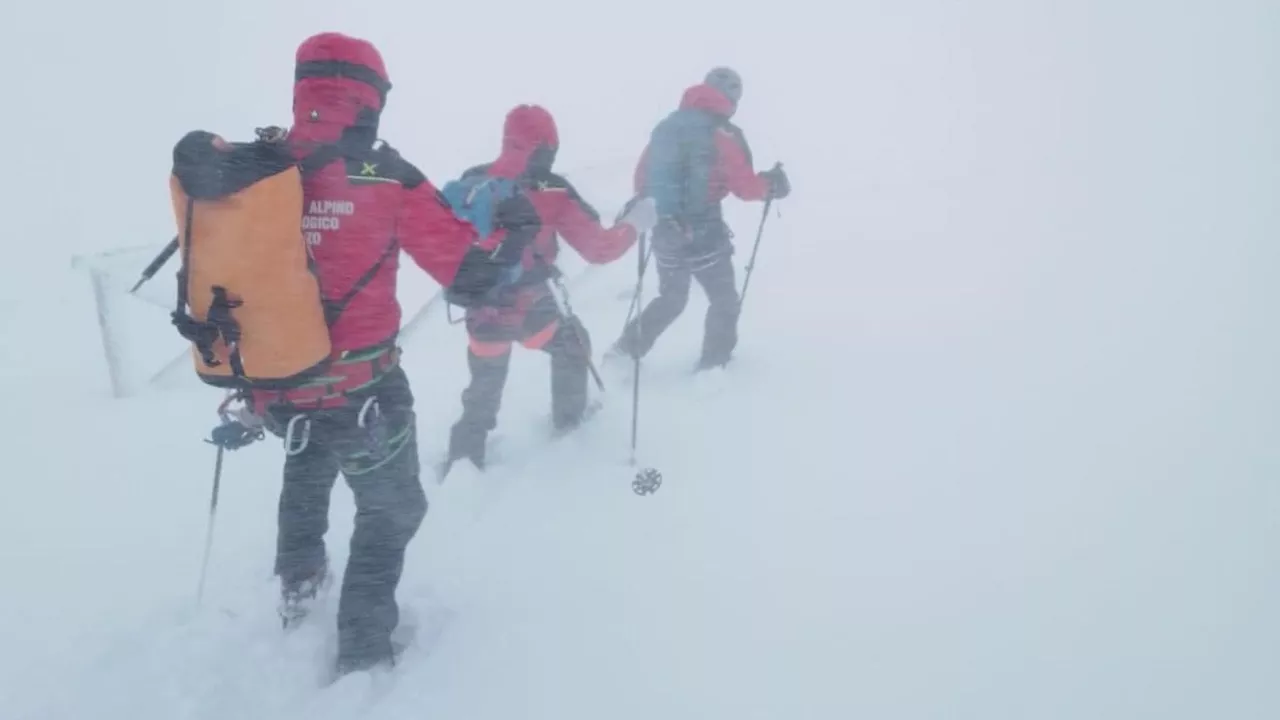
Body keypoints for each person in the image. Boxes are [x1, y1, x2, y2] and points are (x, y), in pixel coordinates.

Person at [243, 32, 536, 677]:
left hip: (278, 382)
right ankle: (364, 647)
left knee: (307, 462)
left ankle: (297, 585)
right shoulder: (386, 177)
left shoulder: (260, 167)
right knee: (394, 507)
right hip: (361, 388)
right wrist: (516, 235)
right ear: (371, 98)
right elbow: (470, 279)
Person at [443, 104, 657, 473]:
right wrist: (635, 224)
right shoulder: (552, 188)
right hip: (529, 306)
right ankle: (569, 426)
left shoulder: (473, 178)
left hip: (480, 306)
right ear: (547, 146)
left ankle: (463, 460)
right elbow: (599, 248)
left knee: (483, 387)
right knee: (574, 345)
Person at [610, 67, 790, 370]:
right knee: (723, 299)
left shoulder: (668, 127)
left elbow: (642, 177)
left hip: (664, 229)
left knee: (672, 297)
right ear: (732, 98)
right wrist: (771, 185)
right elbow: (745, 187)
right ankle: (713, 365)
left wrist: (663, 213)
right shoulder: (723, 133)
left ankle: (625, 351)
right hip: (704, 231)